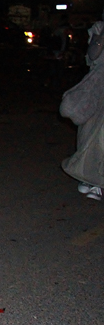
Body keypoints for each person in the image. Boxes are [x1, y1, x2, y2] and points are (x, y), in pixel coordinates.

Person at [62, 11, 104, 200]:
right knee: (90, 132)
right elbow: (93, 55)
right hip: (98, 88)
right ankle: (90, 179)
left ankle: (94, 181)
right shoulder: (99, 29)